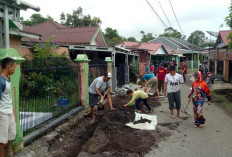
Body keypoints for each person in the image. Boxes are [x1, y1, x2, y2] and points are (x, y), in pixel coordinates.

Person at [0, 58, 17, 157]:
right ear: (8, 67)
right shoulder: (0, 81)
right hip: (2, 114)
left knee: (10, 136)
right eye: (14, 67)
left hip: (9, 112)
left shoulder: (7, 79)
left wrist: (13, 111)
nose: (15, 69)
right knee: (2, 141)